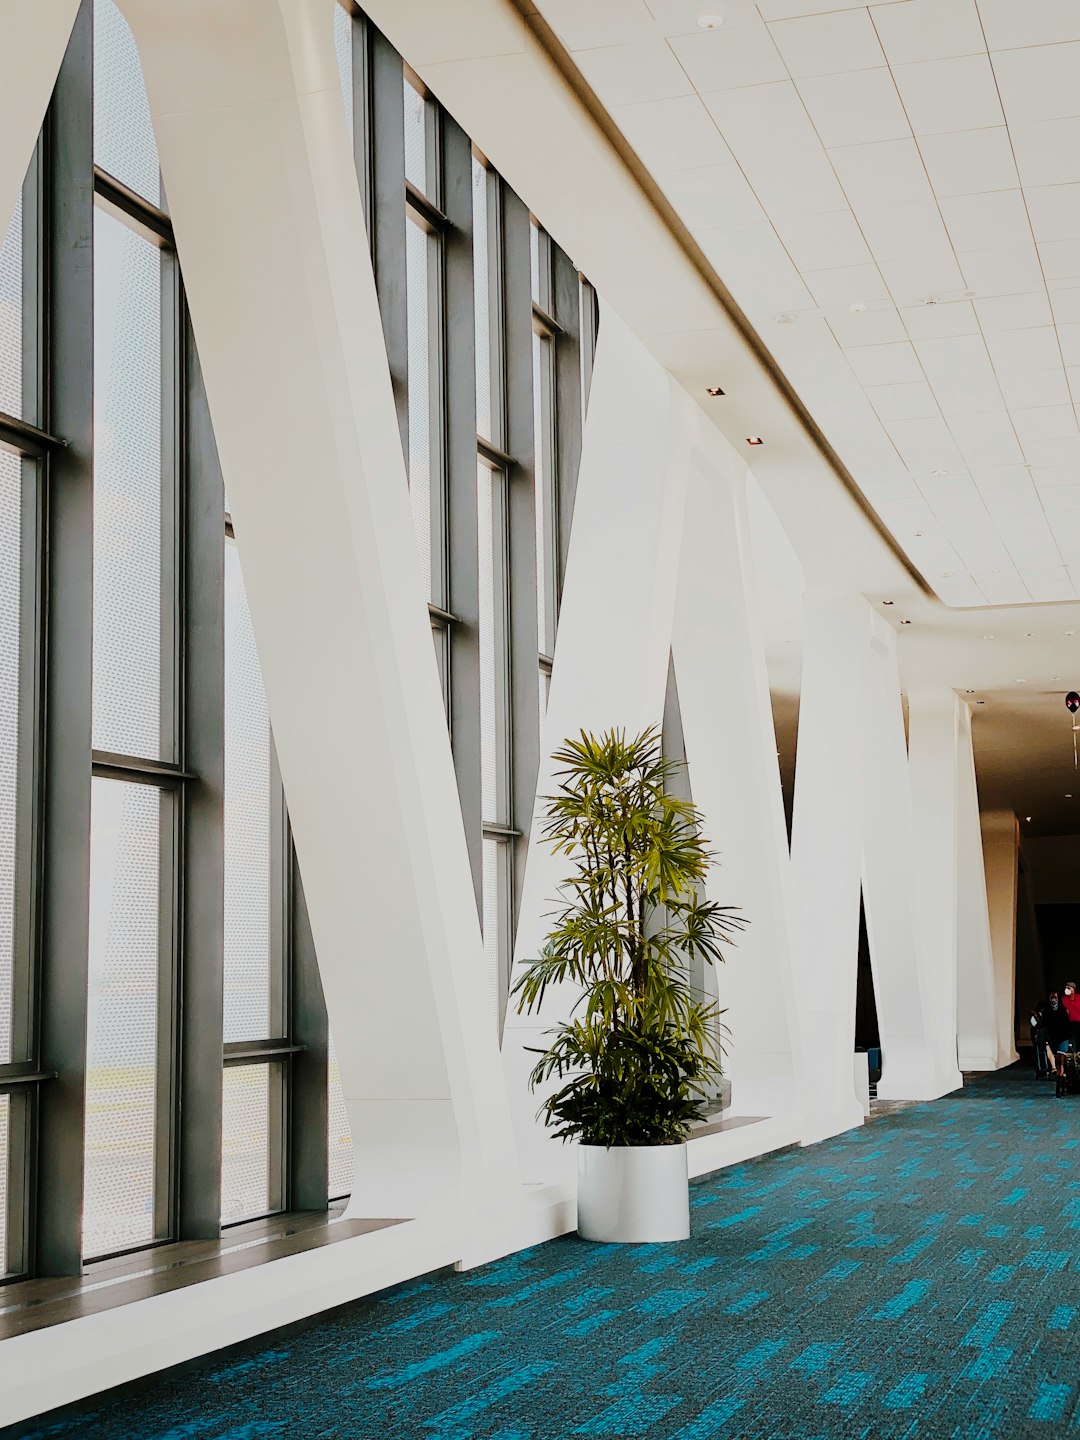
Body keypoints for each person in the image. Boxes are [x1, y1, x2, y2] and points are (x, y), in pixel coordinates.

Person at [1052, 984, 1080, 1087]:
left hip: (1079, 1023)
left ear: (1074, 989)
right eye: (1066, 987)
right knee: (1072, 1044)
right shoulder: (1063, 1000)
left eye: (1069, 987)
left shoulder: (1079, 998)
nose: (1067, 989)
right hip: (1069, 1024)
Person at [1030, 1000, 1053, 1078]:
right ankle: (1040, 1070)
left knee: (1045, 1052)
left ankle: (1046, 1069)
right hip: (1038, 1036)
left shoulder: (1046, 1015)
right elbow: (1035, 1025)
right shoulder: (1035, 1016)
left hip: (1045, 1036)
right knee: (1038, 1053)